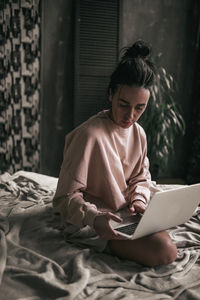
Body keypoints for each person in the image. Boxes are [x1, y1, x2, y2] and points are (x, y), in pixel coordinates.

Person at [53, 40, 177, 267]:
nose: (130, 115)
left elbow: (140, 177)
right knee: (165, 251)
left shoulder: (138, 133)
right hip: (96, 222)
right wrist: (94, 217)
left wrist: (139, 200)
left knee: (167, 242)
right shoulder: (89, 135)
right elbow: (64, 198)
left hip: (124, 216)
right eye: (123, 104)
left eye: (139, 107)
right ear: (110, 94)